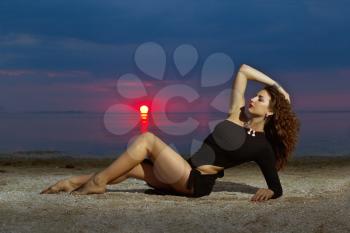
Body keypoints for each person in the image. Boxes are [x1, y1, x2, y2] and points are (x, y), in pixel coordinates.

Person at [40, 64, 300, 202]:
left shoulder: (263, 147)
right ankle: (73, 182)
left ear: (270, 113)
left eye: (261, 99)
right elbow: (243, 69)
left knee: (147, 139)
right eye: (256, 94)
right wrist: (277, 86)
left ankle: (96, 185)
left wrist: (272, 192)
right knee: (132, 166)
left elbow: (275, 186)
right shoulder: (236, 113)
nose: (253, 98)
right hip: (182, 172)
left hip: (195, 182)